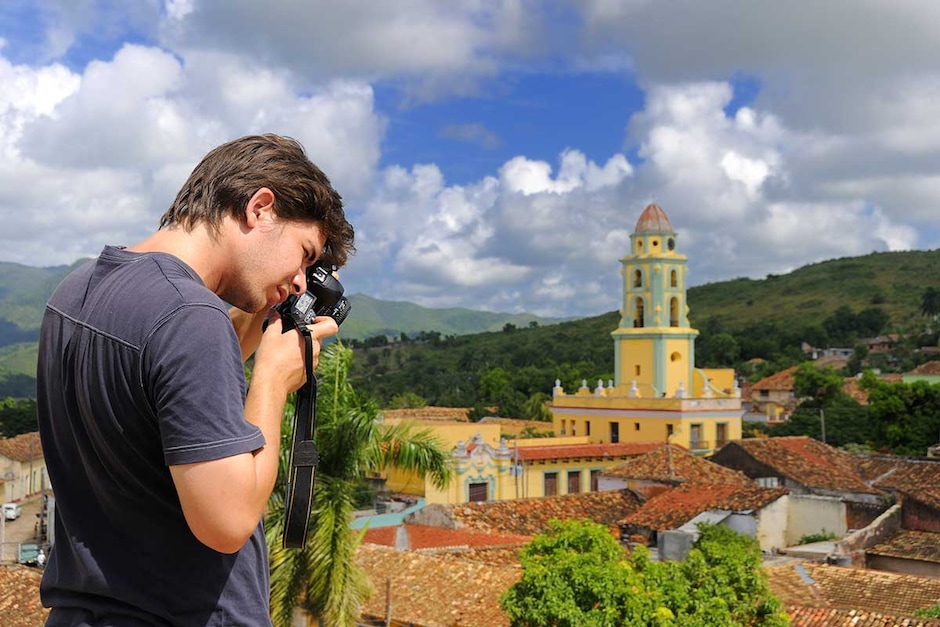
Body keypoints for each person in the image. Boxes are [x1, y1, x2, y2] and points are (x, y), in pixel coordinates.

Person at [36, 134, 355, 626]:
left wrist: (253, 324)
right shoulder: (190, 318)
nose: (299, 280)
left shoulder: (76, 290)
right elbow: (227, 522)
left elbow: (161, 394)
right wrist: (271, 380)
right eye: (305, 253)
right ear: (260, 208)